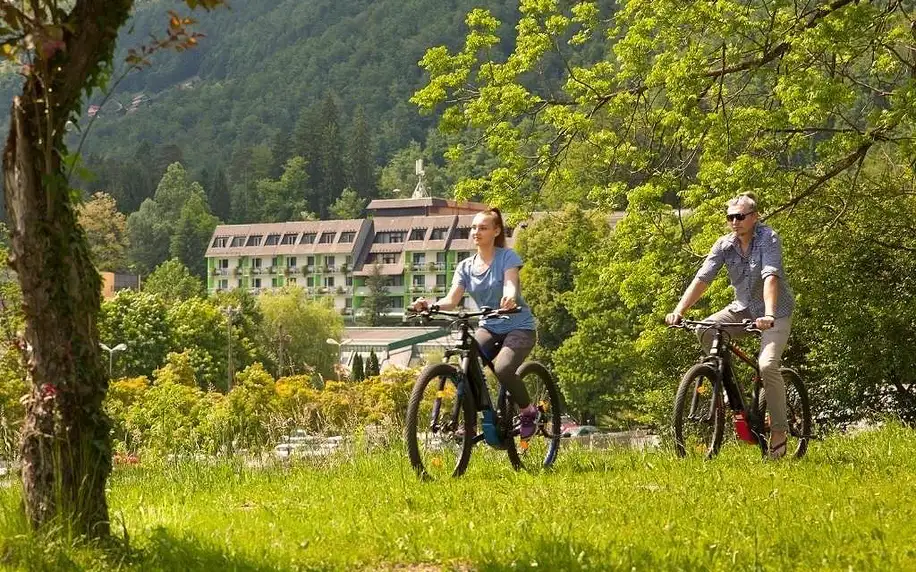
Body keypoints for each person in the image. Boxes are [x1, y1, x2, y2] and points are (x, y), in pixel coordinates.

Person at [665, 193, 795, 459]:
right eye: (730, 217)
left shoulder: (768, 238)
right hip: (742, 309)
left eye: (740, 216)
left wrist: (768, 314)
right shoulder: (724, 245)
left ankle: (779, 433)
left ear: (754, 217)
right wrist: (679, 310)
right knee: (705, 328)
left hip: (775, 312)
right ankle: (726, 385)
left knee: (767, 365)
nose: (734, 221)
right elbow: (703, 278)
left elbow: (770, 276)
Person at [410, 207, 539, 438]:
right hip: (489, 325)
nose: (476, 232)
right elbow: (452, 300)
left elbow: (511, 282)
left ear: (496, 231)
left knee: (503, 368)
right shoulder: (465, 267)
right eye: (473, 228)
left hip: (519, 326)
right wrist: (430, 306)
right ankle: (473, 421)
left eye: (483, 228)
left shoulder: (506, 257)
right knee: (466, 362)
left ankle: (528, 411)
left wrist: (509, 296)